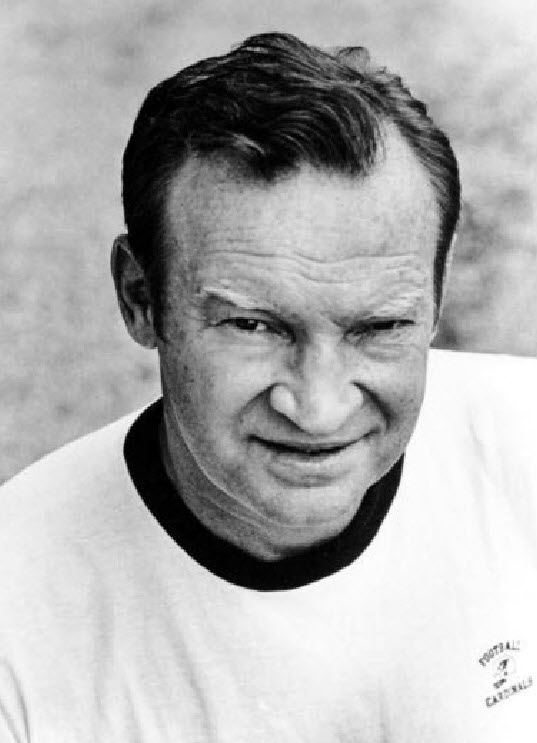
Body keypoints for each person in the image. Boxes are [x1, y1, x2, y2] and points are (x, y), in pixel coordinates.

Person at [1, 31, 536, 743]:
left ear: (437, 295)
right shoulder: (15, 613)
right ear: (140, 298)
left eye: (378, 326)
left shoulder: (524, 448)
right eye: (253, 325)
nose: (317, 409)